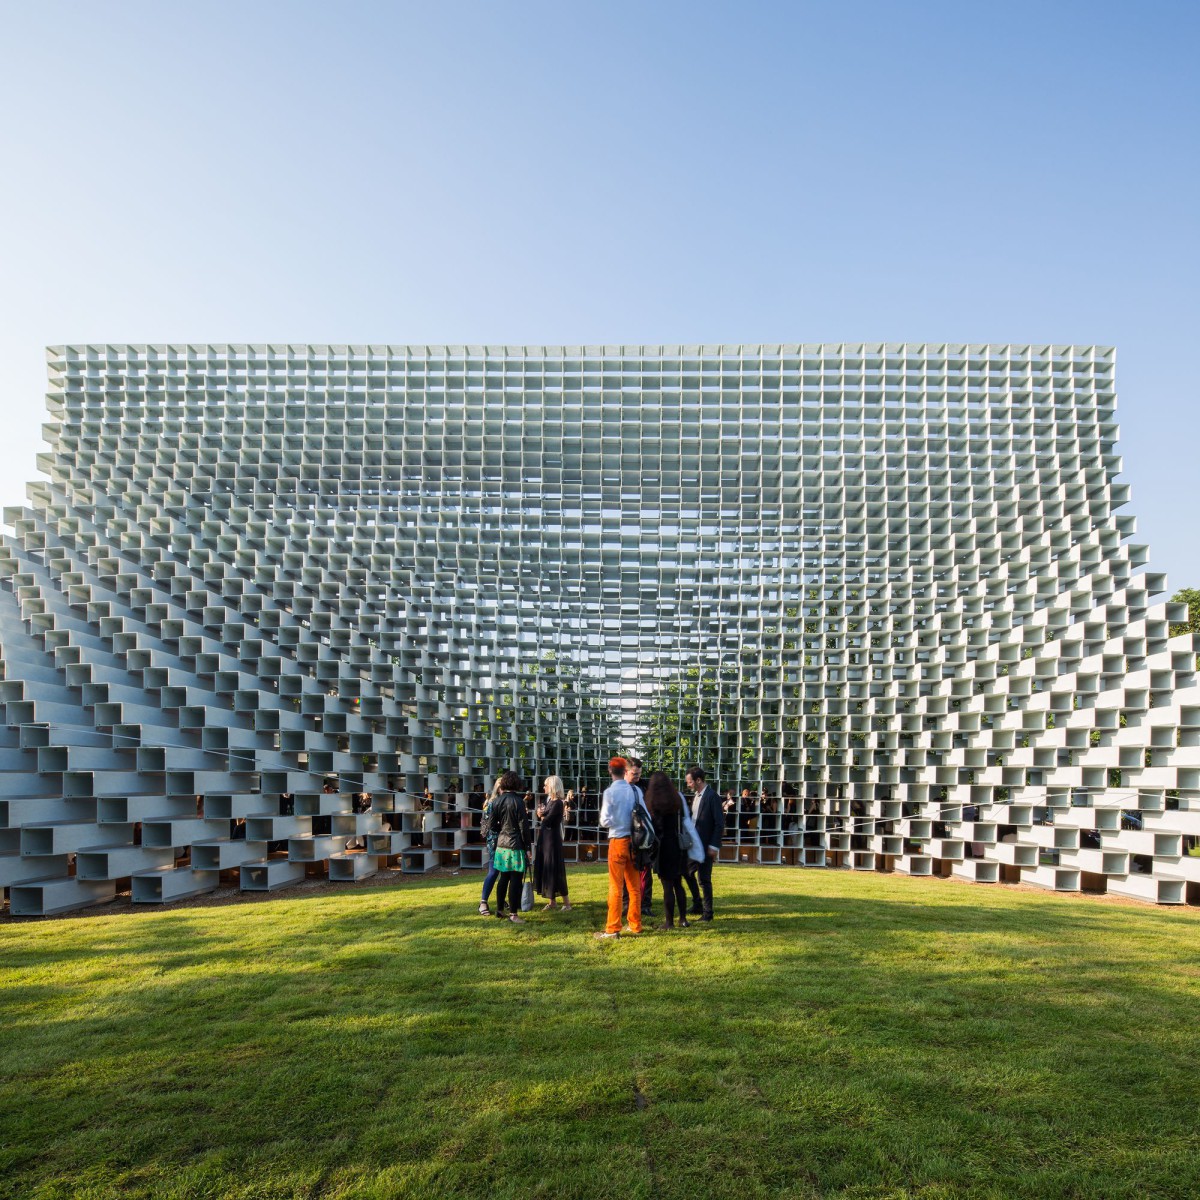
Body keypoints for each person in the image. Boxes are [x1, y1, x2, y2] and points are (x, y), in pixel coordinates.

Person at [596, 756, 643, 939]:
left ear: (610, 771)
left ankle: (613, 927)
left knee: (616, 886)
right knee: (634, 887)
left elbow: (604, 820)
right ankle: (635, 924)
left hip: (617, 840)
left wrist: (617, 821)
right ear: (625, 770)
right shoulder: (635, 790)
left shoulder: (610, 792)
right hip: (634, 842)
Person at [644, 770, 690, 930]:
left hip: (663, 847)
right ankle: (683, 919)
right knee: (678, 883)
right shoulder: (676, 799)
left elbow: (654, 827)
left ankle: (669, 922)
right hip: (677, 845)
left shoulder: (654, 802)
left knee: (667, 886)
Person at [490, 771, 533, 923]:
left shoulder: (496, 801)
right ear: (516, 783)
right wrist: (528, 847)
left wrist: (502, 830)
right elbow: (524, 827)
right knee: (515, 880)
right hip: (516, 845)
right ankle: (513, 914)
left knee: (503, 878)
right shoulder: (519, 801)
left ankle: (500, 909)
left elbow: (492, 826)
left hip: (501, 846)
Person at [684, 766, 723, 921]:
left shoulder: (712, 796)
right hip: (695, 844)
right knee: (686, 872)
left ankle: (708, 913)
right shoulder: (697, 796)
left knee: (704, 879)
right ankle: (697, 904)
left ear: (698, 780)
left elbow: (719, 823)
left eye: (689, 782)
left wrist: (714, 846)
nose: (688, 785)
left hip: (706, 845)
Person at [622, 757, 654, 918]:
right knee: (624, 875)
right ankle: (626, 905)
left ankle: (645, 905)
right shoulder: (618, 789)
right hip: (625, 837)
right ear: (625, 772)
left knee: (645, 872)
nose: (638, 777)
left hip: (641, 837)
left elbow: (647, 812)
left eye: (639, 774)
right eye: (635, 774)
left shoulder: (641, 787)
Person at [534, 775, 571, 910]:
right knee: (548, 868)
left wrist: (540, 815)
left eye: (546, 785)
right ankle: (552, 901)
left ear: (552, 786)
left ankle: (567, 904)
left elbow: (547, 820)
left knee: (555, 869)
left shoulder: (558, 803)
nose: (544, 787)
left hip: (552, 841)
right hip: (546, 839)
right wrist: (541, 815)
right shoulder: (551, 801)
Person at [478, 780, 502, 916]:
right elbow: (491, 825)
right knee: (493, 871)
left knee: (503, 873)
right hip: (495, 840)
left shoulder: (494, 802)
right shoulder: (492, 803)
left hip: (502, 839)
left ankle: (501, 900)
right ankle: (483, 902)